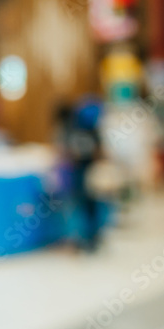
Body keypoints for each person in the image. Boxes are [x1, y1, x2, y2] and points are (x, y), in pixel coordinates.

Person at [56, 100, 103, 252]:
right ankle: (90, 238)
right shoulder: (90, 129)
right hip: (87, 173)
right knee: (89, 206)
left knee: (79, 207)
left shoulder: (72, 129)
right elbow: (98, 151)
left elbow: (66, 151)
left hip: (81, 174)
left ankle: (83, 239)